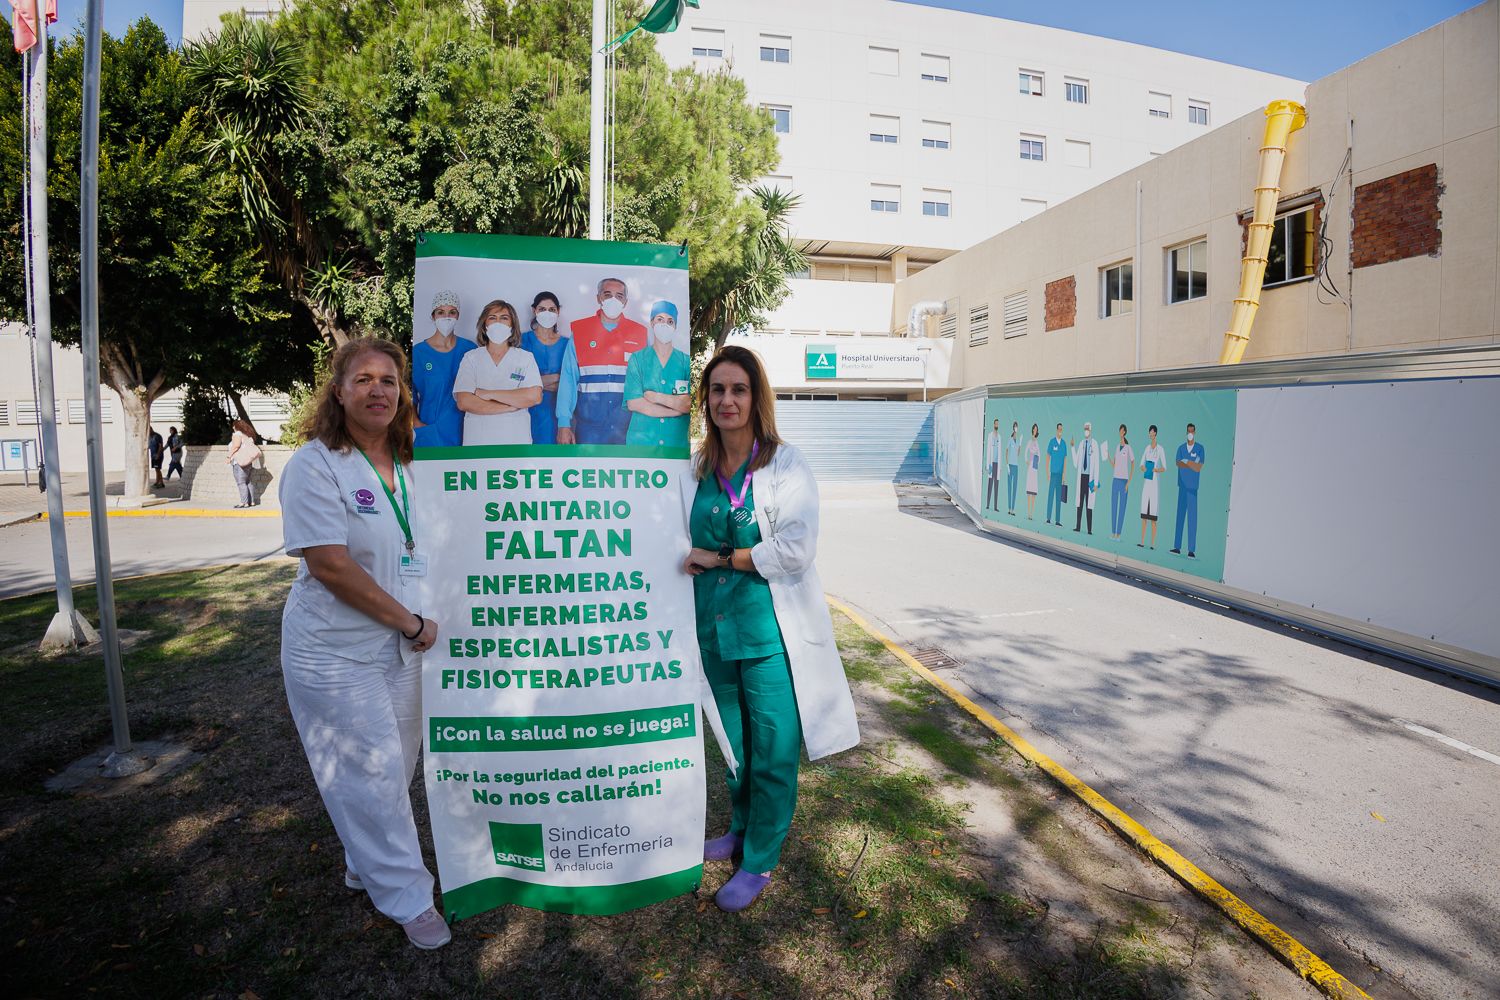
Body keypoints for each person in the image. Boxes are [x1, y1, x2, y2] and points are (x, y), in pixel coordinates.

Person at [277, 337, 449, 951]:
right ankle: (407, 895)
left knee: (395, 768)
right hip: (333, 651)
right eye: (364, 379)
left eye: (390, 380)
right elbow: (330, 565)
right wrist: (409, 622)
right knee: (371, 773)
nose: (379, 390)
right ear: (339, 391)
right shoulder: (316, 464)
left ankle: (365, 862)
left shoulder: (407, 464)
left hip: (401, 647)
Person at [679, 345, 859, 913]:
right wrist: (699, 557)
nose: (726, 400)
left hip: (769, 633)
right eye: (717, 390)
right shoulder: (696, 467)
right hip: (714, 629)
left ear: (757, 398)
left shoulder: (783, 464)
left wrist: (722, 556)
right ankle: (738, 828)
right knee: (735, 745)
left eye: (738, 389)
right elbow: (678, 542)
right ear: (705, 401)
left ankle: (758, 859)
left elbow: (796, 549)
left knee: (773, 747)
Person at [556, 277, 648, 445]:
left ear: (625, 302)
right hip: (589, 428)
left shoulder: (640, 334)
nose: (613, 300)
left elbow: (648, 384)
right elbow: (568, 379)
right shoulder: (580, 331)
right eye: (608, 295)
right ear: (598, 298)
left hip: (629, 428)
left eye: (619, 296)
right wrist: (564, 423)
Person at [452, 300, 543, 445]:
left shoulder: (525, 358)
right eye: (492, 318)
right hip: (478, 441)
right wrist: (510, 406)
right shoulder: (471, 358)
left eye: (504, 318)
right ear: (484, 324)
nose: (498, 322)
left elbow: (534, 397)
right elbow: (464, 401)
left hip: (516, 440)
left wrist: (488, 394)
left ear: (512, 325)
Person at [623, 301, 692, 449]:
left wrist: (655, 397)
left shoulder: (686, 362)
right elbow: (634, 403)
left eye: (670, 321)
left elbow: (688, 404)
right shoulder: (637, 359)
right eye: (660, 319)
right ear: (652, 322)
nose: (665, 324)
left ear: (675, 327)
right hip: (641, 444)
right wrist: (674, 411)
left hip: (675, 443)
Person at [411, 289, 475, 448]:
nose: (447, 317)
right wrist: (417, 424)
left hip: (467, 430)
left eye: (452, 312)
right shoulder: (418, 353)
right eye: (441, 312)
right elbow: (408, 396)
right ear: (433, 316)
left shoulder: (469, 349)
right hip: (431, 431)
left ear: (458, 316)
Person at [519, 292, 569, 446]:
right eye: (542, 309)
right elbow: (517, 382)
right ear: (534, 311)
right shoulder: (522, 341)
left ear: (558, 312)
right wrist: (557, 377)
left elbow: (571, 384)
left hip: (558, 414)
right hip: (526, 412)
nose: (547, 313)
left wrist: (536, 384)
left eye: (552, 309)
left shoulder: (568, 344)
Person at [1171, 422, 1206, 558]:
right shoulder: (1181, 448)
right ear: (1186, 432)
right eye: (1188, 431)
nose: (1190, 433)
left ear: (1195, 432)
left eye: (1192, 431)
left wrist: (1187, 462)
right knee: (1180, 517)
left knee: (1192, 518)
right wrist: (1190, 463)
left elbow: (1198, 467)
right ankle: (1177, 547)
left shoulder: (1200, 448)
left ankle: (1191, 550)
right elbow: (1178, 463)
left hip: (1192, 488)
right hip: (1182, 486)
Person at [1138, 424, 1166, 549]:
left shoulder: (1160, 449)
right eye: (1149, 432)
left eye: (1152, 432)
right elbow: (1141, 464)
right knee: (1144, 514)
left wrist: (1155, 469)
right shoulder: (1147, 448)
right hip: (1146, 483)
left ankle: (1152, 544)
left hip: (1154, 485)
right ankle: (1142, 541)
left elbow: (1164, 468)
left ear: (1155, 433)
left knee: (1153, 517)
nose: (1150, 434)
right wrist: (1143, 467)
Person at [1071, 422, 1101, 535]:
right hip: (1082, 477)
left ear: (1091, 430)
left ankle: (1089, 530)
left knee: (1089, 504)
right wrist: (1072, 447)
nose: (1086, 431)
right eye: (1084, 429)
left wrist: (1096, 482)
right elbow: (1075, 462)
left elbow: (1097, 464)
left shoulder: (1095, 444)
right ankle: (1077, 526)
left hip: (1091, 478)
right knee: (1080, 503)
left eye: (1087, 429)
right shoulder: (1081, 443)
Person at [1108, 424, 1135, 540]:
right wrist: (1108, 457)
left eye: (1122, 430)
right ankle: (1113, 532)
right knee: (1114, 506)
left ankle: (1118, 533)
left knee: (1122, 508)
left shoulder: (1128, 448)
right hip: (1115, 480)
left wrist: (1129, 481)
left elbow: (1133, 463)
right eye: (1119, 430)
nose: (1120, 432)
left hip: (1124, 481)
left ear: (1125, 432)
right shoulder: (1116, 447)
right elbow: (1114, 465)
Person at [226, 420, 261, 508]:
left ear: (236, 426)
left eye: (233, 426)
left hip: (239, 462)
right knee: (248, 481)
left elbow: (236, 446)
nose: (232, 428)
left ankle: (244, 502)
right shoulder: (246, 435)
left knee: (241, 482)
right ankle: (251, 501)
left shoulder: (237, 434)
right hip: (248, 462)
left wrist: (228, 457)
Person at [1044, 423, 1067, 524]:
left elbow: (1065, 459)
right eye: (1059, 429)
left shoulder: (1064, 444)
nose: (1060, 431)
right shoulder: (1052, 442)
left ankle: (1057, 520)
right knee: (1050, 496)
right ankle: (1048, 518)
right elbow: (1048, 457)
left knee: (1059, 498)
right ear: (1056, 430)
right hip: (1053, 473)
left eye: (1062, 430)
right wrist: (1047, 471)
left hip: (1060, 474)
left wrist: (1064, 474)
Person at [1023, 424, 1041, 519]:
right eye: (1034, 429)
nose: (1035, 431)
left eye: (1036, 429)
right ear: (1032, 430)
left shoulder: (1037, 442)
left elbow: (1040, 454)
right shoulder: (1030, 441)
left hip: (1035, 467)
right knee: (1029, 489)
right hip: (1030, 467)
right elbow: (1025, 451)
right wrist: (1027, 460)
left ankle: (1032, 513)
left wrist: (1037, 462)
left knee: (1034, 490)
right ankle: (1028, 512)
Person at [983, 419, 1001, 512]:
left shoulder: (999, 437)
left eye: (998, 424)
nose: (997, 425)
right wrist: (987, 465)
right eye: (996, 423)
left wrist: (1000, 468)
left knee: (996, 486)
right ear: (993, 424)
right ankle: (987, 505)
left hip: (997, 464)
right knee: (990, 484)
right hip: (991, 464)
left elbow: (1000, 452)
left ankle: (995, 506)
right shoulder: (990, 436)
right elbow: (988, 451)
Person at [1005, 421, 1022, 515]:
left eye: (1017, 426)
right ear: (1013, 428)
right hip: (1010, 465)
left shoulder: (1018, 440)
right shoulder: (1010, 439)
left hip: (1016, 466)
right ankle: (1009, 508)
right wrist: (1007, 464)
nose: (1016, 428)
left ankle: (1013, 509)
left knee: (1015, 487)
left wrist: (1020, 445)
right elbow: (1006, 451)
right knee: (1009, 487)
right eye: (1015, 426)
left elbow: (1018, 454)